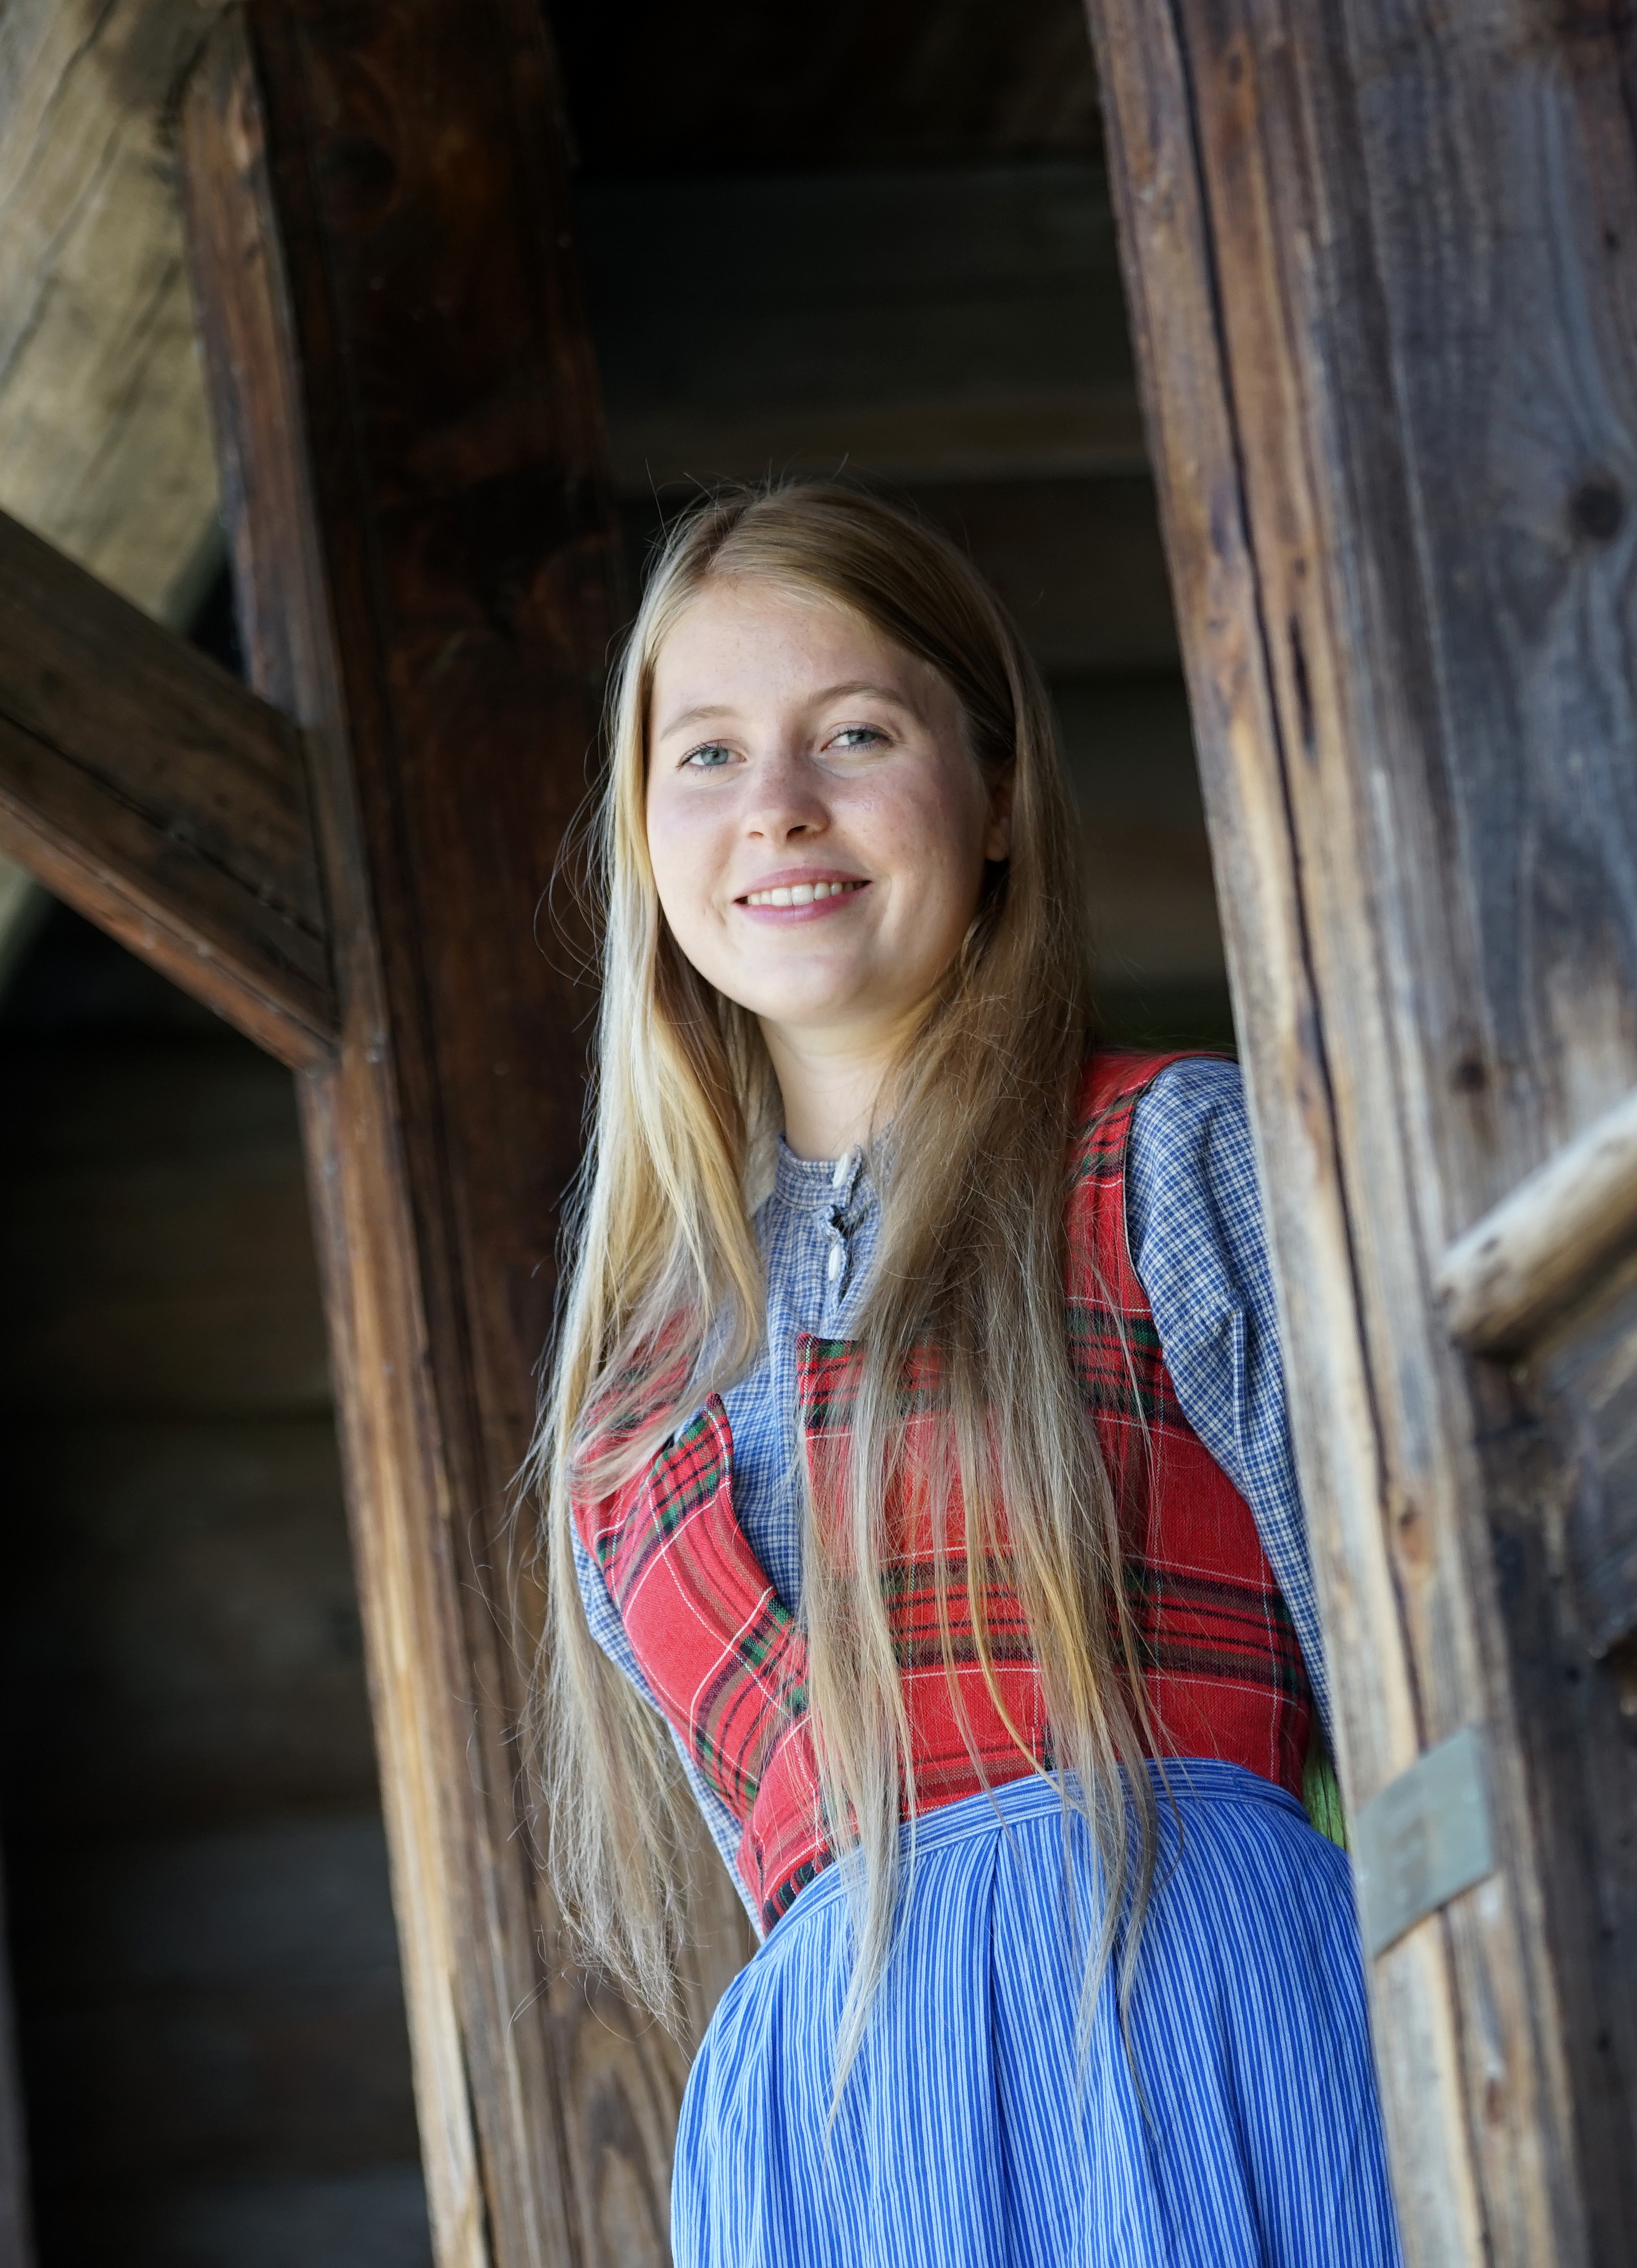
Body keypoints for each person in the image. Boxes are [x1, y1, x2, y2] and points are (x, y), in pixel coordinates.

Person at [534, 483, 1402, 2265]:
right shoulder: (625, 1418)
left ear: (995, 797)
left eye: (853, 733)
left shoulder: (1171, 1163)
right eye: (704, 755)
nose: (777, 802)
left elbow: (1421, 1700)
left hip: (1207, 2053)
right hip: (843, 2160)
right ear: (643, 836)